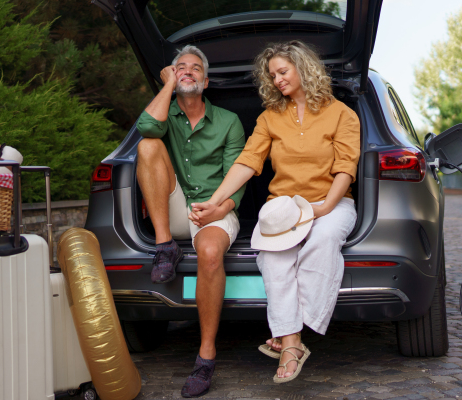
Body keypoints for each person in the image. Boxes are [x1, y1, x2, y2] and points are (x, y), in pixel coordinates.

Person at [190, 40, 360, 383]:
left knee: (320, 243)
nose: (277, 80)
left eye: (283, 71)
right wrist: (215, 199)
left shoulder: (342, 113)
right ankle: (292, 342)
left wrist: (326, 206)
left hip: (332, 202)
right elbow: (247, 162)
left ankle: (288, 338)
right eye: (272, 75)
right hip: (283, 209)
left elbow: (346, 167)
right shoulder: (270, 117)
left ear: (304, 68)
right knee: (272, 259)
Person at [135, 45, 246, 397]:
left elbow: (238, 177)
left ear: (206, 81)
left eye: (195, 68)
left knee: (210, 253)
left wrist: (219, 207)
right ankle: (164, 246)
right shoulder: (165, 114)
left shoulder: (229, 121)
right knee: (148, 146)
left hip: (217, 206)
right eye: (180, 67)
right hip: (175, 208)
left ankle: (205, 355)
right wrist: (167, 85)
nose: (187, 71)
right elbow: (146, 126)